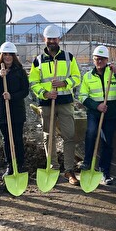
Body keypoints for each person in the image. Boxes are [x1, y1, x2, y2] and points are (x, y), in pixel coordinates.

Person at [29, 25, 81, 185]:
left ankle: (69, 170)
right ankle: (53, 167)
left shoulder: (68, 57)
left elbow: (77, 78)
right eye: (49, 39)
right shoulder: (38, 60)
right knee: (48, 136)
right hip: (46, 103)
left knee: (69, 136)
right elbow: (33, 82)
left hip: (65, 102)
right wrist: (45, 93)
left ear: (59, 39)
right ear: (44, 40)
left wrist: (64, 83)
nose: (52, 41)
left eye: (54, 38)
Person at [79, 45, 116, 185]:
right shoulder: (88, 76)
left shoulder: (114, 73)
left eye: (102, 59)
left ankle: (104, 172)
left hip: (110, 113)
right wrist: (97, 106)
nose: (99, 61)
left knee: (107, 142)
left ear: (107, 60)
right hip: (94, 112)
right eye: (97, 59)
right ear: (93, 60)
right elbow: (82, 96)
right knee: (91, 133)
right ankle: (88, 162)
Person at [0, 42, 29, 177]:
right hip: (2, 110)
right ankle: (10, 166)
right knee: (6, 139)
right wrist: (0, 76)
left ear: (14, 56)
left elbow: (25, 91)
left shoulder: (20, 71)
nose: (8, 57)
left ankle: (20, 165)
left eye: (10, 54)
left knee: (17, 138)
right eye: (5, 54)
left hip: (16, 110)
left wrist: (12, 96)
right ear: (1, 55)